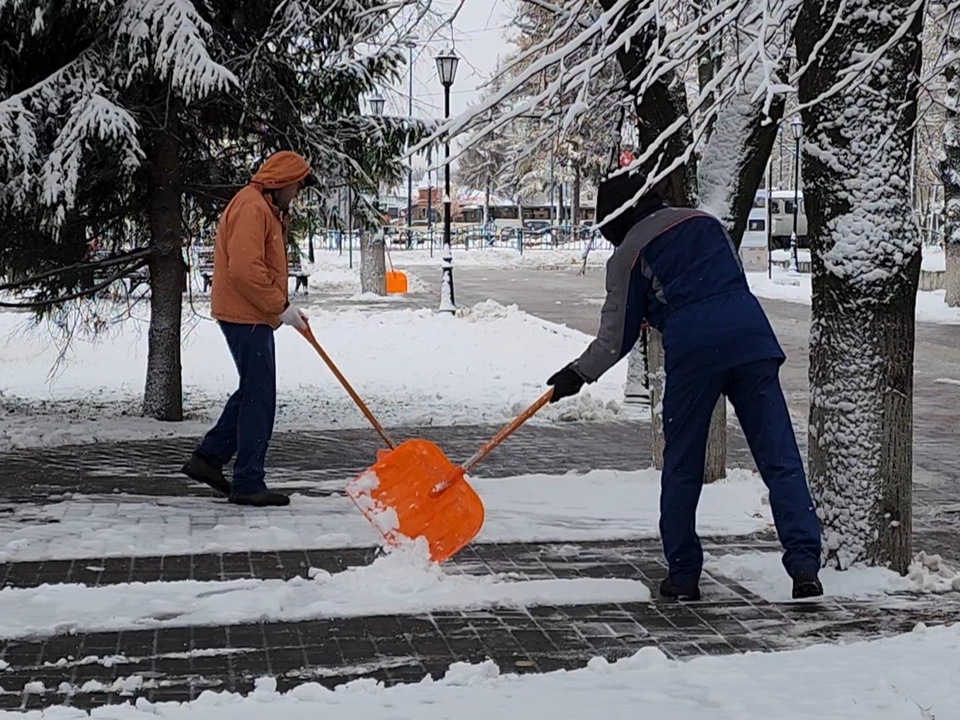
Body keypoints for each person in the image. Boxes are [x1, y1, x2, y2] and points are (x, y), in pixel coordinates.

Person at [546, 168, 824, 600]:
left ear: (616, 219)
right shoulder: (705, 221)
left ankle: (683, 575)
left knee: (682, 465)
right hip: (751, 337)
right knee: (779, 457)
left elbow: (614, 338)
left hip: (695, 351)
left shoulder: (629, 254)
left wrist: (577, 374)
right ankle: (805, 565)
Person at [180, 150, 315, 507]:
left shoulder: (263, 208)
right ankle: (247, 481)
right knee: (259, 397)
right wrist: (281, 307)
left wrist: (280, 310)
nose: (297, 194)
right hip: (245, 315)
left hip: (252, 314)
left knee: (252, 392)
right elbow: (244, 268)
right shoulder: (253, 207)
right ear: (282, 181)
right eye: (297, 186)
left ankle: (208, 458)